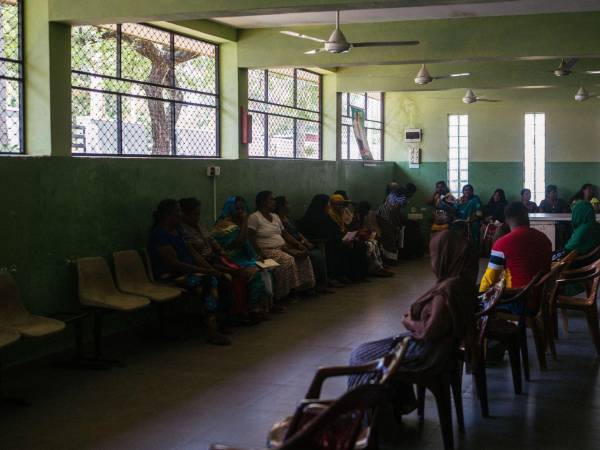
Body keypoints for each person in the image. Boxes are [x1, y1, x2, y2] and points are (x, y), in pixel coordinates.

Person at [347, 231, 479, 416]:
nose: (431, 262)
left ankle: (362, 417)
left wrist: (409, 321)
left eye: (433, 256)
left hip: (429, 353)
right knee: (378, 348)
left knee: (361, 355)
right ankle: (395, 405)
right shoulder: (463, 283)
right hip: (441, 349)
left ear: (445, 258)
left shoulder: (448, 290)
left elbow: (428, 332)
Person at [148, 199, 230, 345]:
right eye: (177, 211)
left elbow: (193, 254)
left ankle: (221, 322)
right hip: (170, 275)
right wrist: (205, 271)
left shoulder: (177, 231)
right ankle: (211, 329)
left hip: (189, 272)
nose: (180, 215)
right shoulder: (159, 234)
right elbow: (175, 264)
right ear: (168, 215)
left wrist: (211, 269)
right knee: (208, 281)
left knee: (221, 277)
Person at [179, 197, 267, 322]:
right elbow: (198, 256)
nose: (198, 217)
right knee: (233, 275)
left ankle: (244, 312)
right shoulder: (183, 231)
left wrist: (223, 255)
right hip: (206, 263)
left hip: (217, 259)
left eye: (199, 214)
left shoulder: (199, 226)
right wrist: (216, 267)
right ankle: (231, 317)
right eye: (195, 214)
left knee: (247, 271)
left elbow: (213, 242)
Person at [479, 202, 552, 315]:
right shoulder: (544, 238)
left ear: (506, 220)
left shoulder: (502, 244)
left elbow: (489, 279)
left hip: (517, 300)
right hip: (541, 298)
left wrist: (479, 296)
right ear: (526, 216)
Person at [247, 191, 315, 301]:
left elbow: (285, 234)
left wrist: (299, 245)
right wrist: (258, 253)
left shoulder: (275, 216)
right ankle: (284, 294)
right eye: (271, 199)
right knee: (287, 260)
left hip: (282, 247)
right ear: (263, 202)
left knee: (304, 256)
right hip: (266, 251)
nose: (274, 202)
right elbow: (250, 237)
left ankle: (302, 288)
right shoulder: (255, 217)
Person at [213, 196, 274, 313]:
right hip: (230, 260)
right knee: (257, 274)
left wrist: (257, 256)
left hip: (244, 257)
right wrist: (245, 222)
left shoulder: (239, 224)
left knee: (268, 268)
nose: (241, 211)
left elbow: (247, 245)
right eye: (237, 208)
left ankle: (265, 308)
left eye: (242, 208)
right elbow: (238, 243)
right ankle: (253, 308)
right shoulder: (224, 225)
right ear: (230, 209)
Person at [298, 194, 368, 284]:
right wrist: (341, 239)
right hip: (320, 243)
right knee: (337, 248)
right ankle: (333, 276)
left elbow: (335, 230)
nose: (328, 206)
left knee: (359, 245)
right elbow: (318, 234)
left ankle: (355, 275)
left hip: (332, 240)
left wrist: (346, 238)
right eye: (327, 204)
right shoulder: (312, 217)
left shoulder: (326, 216)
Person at [274, 195, 331, 294]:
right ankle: (311, 287)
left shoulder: (288, 218)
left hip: (300, 243)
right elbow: (284, 236)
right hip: (290, 245)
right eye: (287, 203)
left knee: (319, 253)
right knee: (315, 255)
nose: (289, 205)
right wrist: (300, 244)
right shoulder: (277, 220)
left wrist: (305, 242)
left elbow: (297, 232)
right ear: (281, 206)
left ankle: (318, 284)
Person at [354, 201, 394, 277]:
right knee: (370, 244)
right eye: (365, 211)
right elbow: (354, 229)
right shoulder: (356, 217)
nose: (366, 212)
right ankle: (376, 268)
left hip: (363, 235)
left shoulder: (364, 216)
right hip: (357, 238)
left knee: (374, 243)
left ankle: (379, 266)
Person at [376, 186, 406, 264]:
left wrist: (397, 225)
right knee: (390, 239)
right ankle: (389, 259)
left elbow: (395, 212)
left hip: (386, 218)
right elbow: (393, 212)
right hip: (384, 218)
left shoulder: (397, 198)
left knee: (391, 239)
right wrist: (397, 225)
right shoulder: (393, 198)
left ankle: (390, 259)